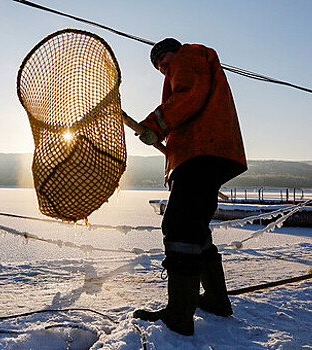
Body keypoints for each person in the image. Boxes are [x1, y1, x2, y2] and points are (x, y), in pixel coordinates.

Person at [132, 38, 247, 336]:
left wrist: (156, 125)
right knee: (195, 229)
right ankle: (216, 300)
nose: (164, 68)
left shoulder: (189, 55)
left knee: (179, 226)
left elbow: (188, 95)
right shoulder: (190, 61)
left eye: (164, 61)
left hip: (202, 151)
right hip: (206, 151)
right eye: (159, 67)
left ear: (173, 51)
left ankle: (179, 315)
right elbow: (189, 103)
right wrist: (162, 135)